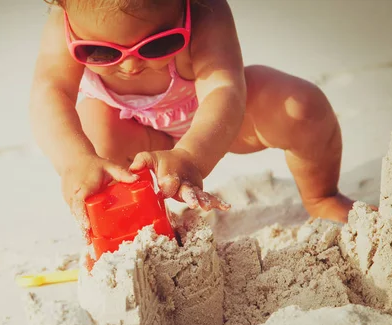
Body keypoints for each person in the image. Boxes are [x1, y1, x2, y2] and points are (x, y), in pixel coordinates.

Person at [30, 0, 355, 239]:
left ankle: (321, 197)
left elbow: (222, 91)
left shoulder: (205, 11)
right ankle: (134, 233)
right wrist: (76, 160)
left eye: (158, 44)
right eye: (99, 52)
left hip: (214, 120)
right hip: (135, 131)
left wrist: (191, 156)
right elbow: (50, 91)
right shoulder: (63, 22)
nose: (129, 67)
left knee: (300, 107)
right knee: (95, 140)